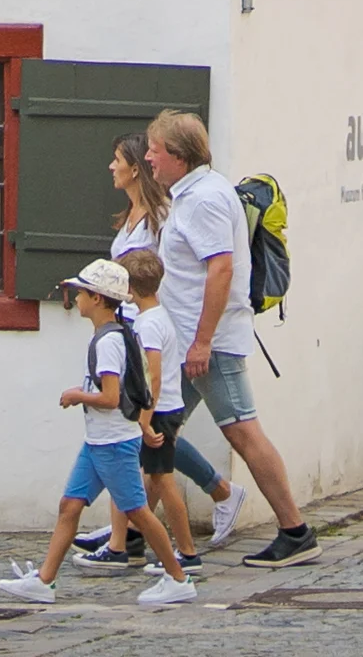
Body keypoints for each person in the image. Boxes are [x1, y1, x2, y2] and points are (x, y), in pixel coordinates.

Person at [143, 110, 320, 568]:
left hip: (208, 345)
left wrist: (202, 342)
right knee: (156, 430)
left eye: (155, 150)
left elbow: (221, 268)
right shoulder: (194, 193)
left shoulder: (204, 199)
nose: (148, 158)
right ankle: (133, 532)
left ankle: (295, 531)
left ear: (179, 157)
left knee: (242, 430)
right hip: (186, 343)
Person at [70, 134, 246, 560]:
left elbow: (166, 273)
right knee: (149, 435)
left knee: (148, 432)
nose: (111, 168)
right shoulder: (131, 214)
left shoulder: (161, 217)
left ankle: (205, 505)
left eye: (117, 160)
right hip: (127, 330)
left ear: (133, 168)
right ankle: (128, 532)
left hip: (147, 333)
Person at [0, 259, 197, 605]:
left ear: (99, 299)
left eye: (82, 292)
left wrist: (77, 395)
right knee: (70, 505)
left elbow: (110, 397)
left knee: (138, 512)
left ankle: (178, 578)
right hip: (98, 442)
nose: (76, 297)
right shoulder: (117, 334)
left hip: (114, 443)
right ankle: (44, 581)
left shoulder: (108, 343)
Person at [66, 250, 204, 575]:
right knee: (144, 481)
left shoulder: (149, 325)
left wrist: (143, 419)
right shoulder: (155, 318)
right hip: (163, 409)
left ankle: (184, 552)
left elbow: (151, 375)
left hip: (159, 411)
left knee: (162, 482)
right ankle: (124, 543)